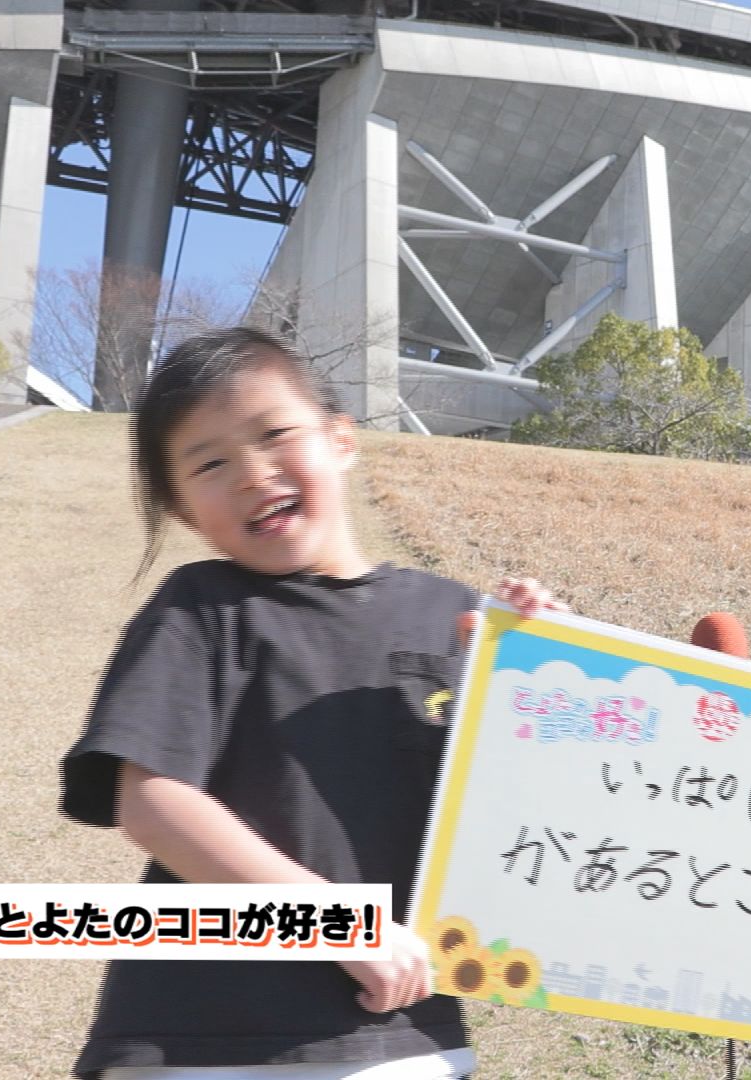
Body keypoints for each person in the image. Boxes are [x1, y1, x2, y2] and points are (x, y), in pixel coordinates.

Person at [58, 326, 563, 1080]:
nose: (252, 474)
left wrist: (547, 672)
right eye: (209, 464)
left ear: (341, 440)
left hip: (409, 1038)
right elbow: (151, 804)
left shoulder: (456, 617)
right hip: (202, 1042)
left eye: (273, 436)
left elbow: (527, 815)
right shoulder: (200, 610)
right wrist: (335, 923)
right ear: (186, 511)